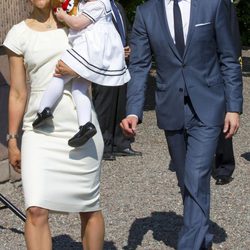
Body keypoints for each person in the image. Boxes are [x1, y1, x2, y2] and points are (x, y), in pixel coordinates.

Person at [121, 0, 243, 249]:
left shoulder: (212, 5)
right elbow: (140, 65)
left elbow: (229, 58)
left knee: (196, 175)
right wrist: (133, 110)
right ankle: (202, 240)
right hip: (171, 107)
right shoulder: (146, 13)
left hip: (209, 106)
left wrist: (233, 107)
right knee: (184, 180)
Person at [4, 0, 105, 249]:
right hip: (39, 131)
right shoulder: (18, 33)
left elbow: (104, 65)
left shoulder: (77, 24)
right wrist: (12, 139)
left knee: (89, 208)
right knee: (36, 209)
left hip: (80, 126)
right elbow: (17, 92)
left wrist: (81, 70)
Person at [32, 0, 130, 148]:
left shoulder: (99, 5)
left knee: (59, 74)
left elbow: (77, 23)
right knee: (79, 88)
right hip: (91, 51)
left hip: (89, 50)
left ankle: (44, 109)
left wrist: (64, 16)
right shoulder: (90, 4)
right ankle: (85, 125)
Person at [92, 0, 142, 160]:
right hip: (104, 64)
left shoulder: (117, 6)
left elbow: (125, 30)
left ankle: (121, 143)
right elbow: (94, 36)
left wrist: (129, 47)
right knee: (105, 106)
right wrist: (116, 49)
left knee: (121, 104)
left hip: (121, 64)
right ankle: (104, 146)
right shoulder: (95, 7)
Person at [213, 0, 242, 185]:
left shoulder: (223, 3)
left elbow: (231, 38)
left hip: (218, 63)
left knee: (223, 115)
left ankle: (223, 165)